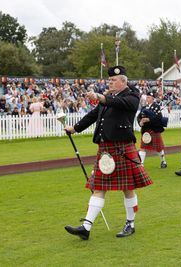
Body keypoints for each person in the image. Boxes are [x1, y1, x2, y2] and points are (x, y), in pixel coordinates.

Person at [64, 66, 152, 240]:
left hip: (122, 148)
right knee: (98, 187)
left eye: (113, 80)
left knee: (128, 189)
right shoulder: (109, 98)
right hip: (105, 148)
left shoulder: (132, 96)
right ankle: (86, 227)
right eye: (109, 80)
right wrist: (75, 128)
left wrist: (101, 97)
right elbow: (93, 115)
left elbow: (120, 104)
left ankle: (130, 223)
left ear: (123, 81)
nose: (110, 82)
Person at [137, 91, 167, 168]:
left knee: (159, 148)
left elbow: (158, 117)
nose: (147, 98)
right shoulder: (144, 107)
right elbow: (139, 117)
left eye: (149, 97)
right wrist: (140, 122)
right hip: (145, 130)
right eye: (147, 97)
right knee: (143, 148)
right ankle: (141, 163)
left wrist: (148, 119)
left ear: (153, 98)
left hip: (154, 130)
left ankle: (163, 161)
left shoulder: (156, 107)